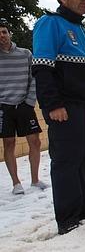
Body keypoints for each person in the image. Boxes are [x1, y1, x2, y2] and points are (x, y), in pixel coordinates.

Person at [32, 0, 85, 235]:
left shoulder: (80, 30)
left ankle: (83, 206)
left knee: (83, 157)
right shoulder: (49, 24)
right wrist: (52, 105)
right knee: (65, 160)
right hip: (64, 106)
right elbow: (42, 69)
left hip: (83, 107)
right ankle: (67, 216)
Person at [0, 18, 47, 195]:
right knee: (9, 143)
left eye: (4, 32)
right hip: (4, 107)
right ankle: (16, 183)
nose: (1, 36)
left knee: (35, 142)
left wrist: (30, 102)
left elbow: (34, 78)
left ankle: (35, 180)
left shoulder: (25, 54)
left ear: (9, 34)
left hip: (25, 105)